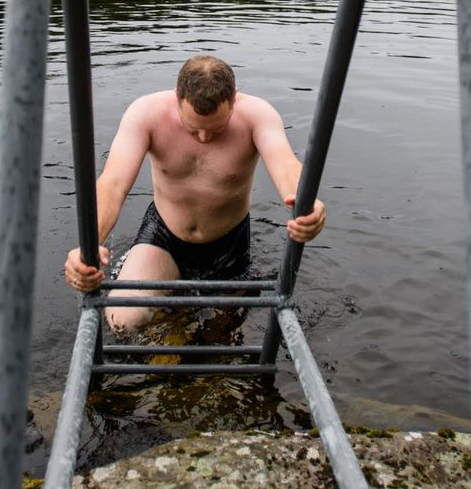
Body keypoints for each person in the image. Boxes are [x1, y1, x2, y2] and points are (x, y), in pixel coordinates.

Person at [63, 55, 327, 332]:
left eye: (216, 129)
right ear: (177, 99)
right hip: (164, 235)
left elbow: (286, 165)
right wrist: (89, 244)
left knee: (222, 334)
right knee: (124, 321)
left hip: (229, 244)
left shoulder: (257, 115)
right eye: (193, 128)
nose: (203, 139)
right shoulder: (146, 113)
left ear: (234, 100)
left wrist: (307, 203)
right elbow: (113, 183)